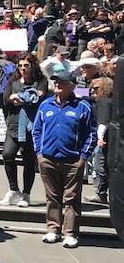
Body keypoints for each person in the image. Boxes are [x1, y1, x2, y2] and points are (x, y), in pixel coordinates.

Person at [32, 70, 96, 249]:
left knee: (72, 197)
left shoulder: (82, 107)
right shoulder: (45, 105)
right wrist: (39, 153)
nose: (57, 84)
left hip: (72, 160)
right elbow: (36, 130)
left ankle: (70, 233)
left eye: (61, 82)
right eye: (56, 81)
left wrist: (83, 157)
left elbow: (91, 133)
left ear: (71, 85)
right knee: (52, 196)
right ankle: (53, 229)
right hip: (48, 158)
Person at [0, 53, 47, 208]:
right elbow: (6, 101)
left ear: (33, 66)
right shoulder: (12, 81)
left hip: (31, 126)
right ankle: (13, 189)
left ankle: (26, 194)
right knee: (7, 154)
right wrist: (25, 98)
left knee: (28, 161)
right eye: (20, 66)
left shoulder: (41, 81)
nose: (22, 68)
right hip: (13, 124)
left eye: (26, 65)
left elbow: (37, 99)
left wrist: (17, 97)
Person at [86, 77, 113, 205]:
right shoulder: (111, 100)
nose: (92, 91)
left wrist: (100, 138)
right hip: (111, 138)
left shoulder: (103, 102)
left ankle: (101, 193)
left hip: (105, 139)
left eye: (95, 88)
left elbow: (103, 122)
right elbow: (83, 95)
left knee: (100, 165)